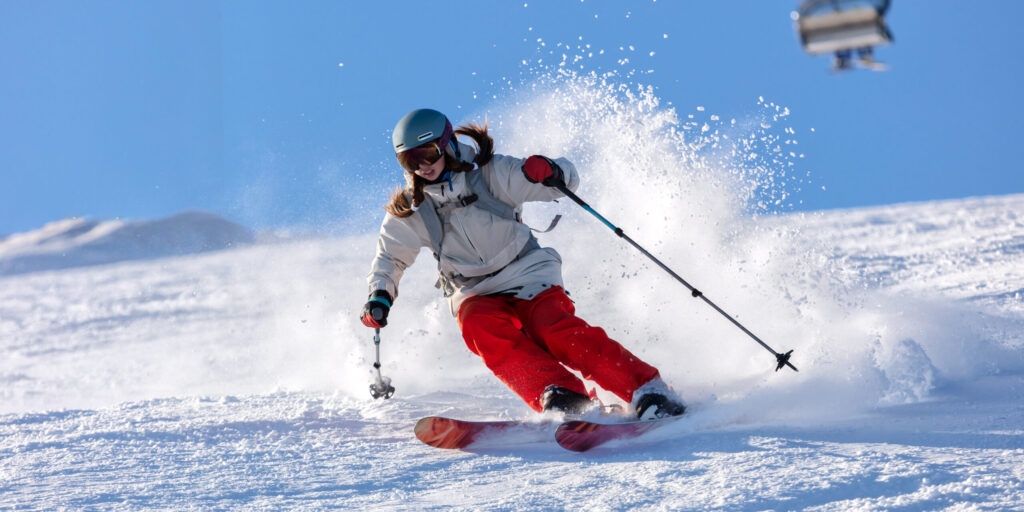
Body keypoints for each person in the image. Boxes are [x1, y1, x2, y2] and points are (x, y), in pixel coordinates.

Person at [360, 108, 686, 420]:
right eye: (410, 160)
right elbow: (390, 256)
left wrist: (550, 171)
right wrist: (380, 295)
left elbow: (565, 182)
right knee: (479, 327)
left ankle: (647, 389)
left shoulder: (490, 173)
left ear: (448, 145)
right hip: (473, 290)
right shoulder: (412, 208)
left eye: (428, 154)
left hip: (526, 272)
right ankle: (562, 394)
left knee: (553, 329)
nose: (422, 166)